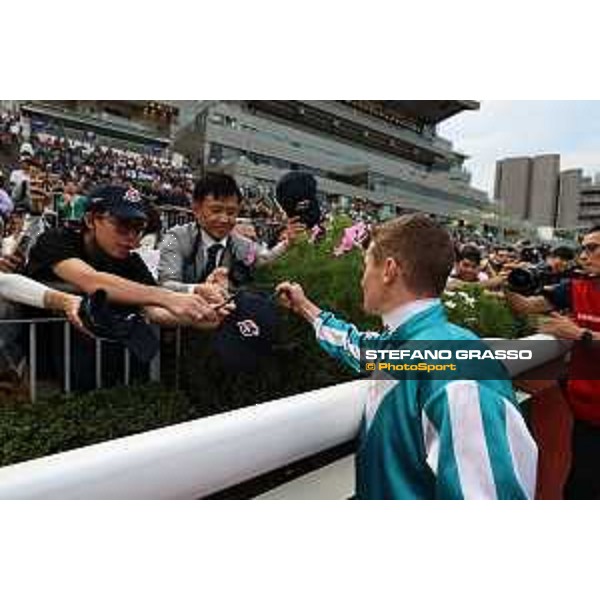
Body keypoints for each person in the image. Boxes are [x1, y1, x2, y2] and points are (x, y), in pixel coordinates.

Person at [277, 213, 537, 500]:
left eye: (366, 266)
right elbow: (355, 346)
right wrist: (305, 308)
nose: (362, 279)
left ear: (388, 270)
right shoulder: (405, 344)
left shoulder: (457, 368)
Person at [506, 226, 600, 499]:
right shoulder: (575, 286)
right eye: (583, 248)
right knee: (579, 489)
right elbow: (525, 306)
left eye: (592, 248)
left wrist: (581, 334)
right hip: (585, 416)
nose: (584, 255)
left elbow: (580, 334)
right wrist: (509, 283)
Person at [158, 173, 304, 294]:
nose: (224, 219)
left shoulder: (242, 245)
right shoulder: (175, 238)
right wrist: (197, 289)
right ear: (196, 209)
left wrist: (287, 242)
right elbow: (166, 285)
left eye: (231, 212)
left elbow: (263, 259)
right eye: (216, 210)